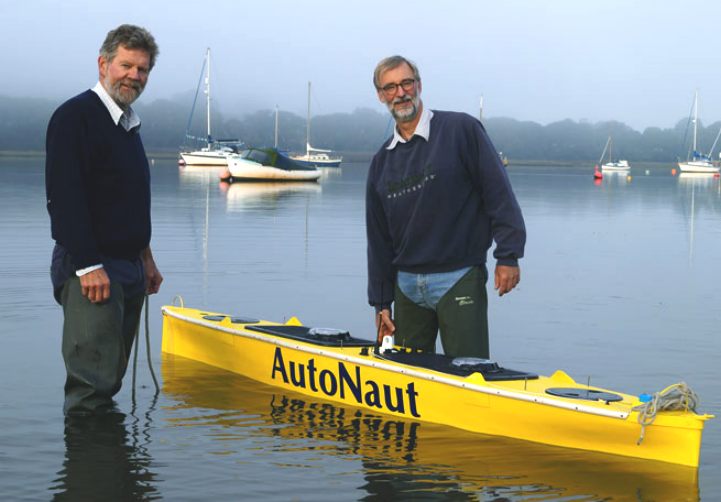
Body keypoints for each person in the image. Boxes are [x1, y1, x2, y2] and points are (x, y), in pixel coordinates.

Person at [366, 55, 526, 359]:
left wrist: (508, 254)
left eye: (406, 83)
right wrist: (382, 302)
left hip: (459, 277)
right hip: (407, 287)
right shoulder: (380, 163)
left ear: (419, 85)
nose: (400, 93)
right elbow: (378, 240)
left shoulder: (461, 130)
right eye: (389, 88)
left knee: (470, 374)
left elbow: (499, 193)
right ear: (381, 96)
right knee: (410, 379)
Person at [45, 24, 162, 415]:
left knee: (109, 380)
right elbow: (64, 200)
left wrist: (146, 257)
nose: (135, 76)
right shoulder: (75, 116)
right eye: (126, 65)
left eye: (143, 69)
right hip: (91, 270)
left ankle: (112, 475)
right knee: (90, 391)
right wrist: (88, 265)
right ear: (103, 64)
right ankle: (89, 473)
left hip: (128, 267)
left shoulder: (129, 124)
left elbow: (128, 201)